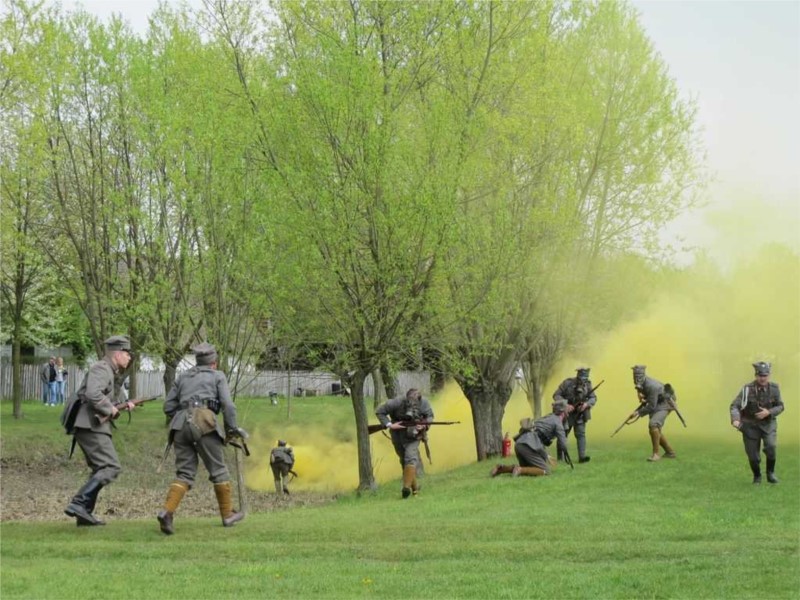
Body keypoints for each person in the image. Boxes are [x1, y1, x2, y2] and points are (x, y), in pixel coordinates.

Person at [157, 342, 248, 535]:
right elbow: (228, 407)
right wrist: (231, 429)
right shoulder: (218, 376)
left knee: (184, 474)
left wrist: (184, 414)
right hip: (205, 422)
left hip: (180, 425)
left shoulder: (182, 377)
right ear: (213, 363)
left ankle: (167, 512)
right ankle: (227, 515)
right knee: (219, 470)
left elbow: (168, 407)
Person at [63, 336, 135, 526]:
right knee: (111, 467)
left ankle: (84, 513)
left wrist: (121, 406)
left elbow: (99, 397)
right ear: (118, 353)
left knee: (100, 468)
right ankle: (78, 503)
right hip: (90, 425)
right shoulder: (102, 368)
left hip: (92, 425)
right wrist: (109, 409)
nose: (129, 358)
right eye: (127, 354)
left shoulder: (108, 370)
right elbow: (92, 394)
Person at [730, 362, 784, 484]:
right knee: (753, 456)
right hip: (750, 426)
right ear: (756, 375)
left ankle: (770, 473)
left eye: (765, 375)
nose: (762, 378)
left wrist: (769, 412)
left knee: (771, 447)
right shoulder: (747, 389)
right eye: (760, 375)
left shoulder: (774, 389)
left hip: (768, 424)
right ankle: (757, 476)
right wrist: (735, 419)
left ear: (769, 375)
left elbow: (780, 406)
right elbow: (735, 406)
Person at [375, 388, 433, 498]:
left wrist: (424, 425)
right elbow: (380, 411)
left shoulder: (424, 403)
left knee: (410, 458)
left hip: (414, 434)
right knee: (403, 460)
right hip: (397, 434)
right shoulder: (396, 402)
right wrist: (390, 425)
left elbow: (430, 416)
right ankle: (415, 489)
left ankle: (405, 489)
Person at [490, 400, 570, 477]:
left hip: (520, 444)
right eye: (567, 409)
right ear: (562, 412)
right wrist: (566, 456)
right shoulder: (558, 423)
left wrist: (546, 455)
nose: (568, 410)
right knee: (545, 471)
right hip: (529, 445)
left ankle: (501, 468)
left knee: (530, 468)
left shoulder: (548, 417)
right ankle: (520, 470)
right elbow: (562, 444)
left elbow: (538, 438)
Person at [628, 365, 676, 462]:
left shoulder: (652, 386)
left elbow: (651, 406)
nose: (636, 379)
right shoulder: (641, 382)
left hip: (665, 403)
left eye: (638, 376)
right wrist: (641, 395)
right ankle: (670, 452)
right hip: (656, 402)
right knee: (655, 429)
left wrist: (637, 413)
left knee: (653, 424)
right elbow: (641, 390)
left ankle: (656, 455)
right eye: (635, 376)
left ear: (643, 375)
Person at [553, 367, 597, 463]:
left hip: (580, 414)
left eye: (585, 378)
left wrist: (586, 404)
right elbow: (556, 395)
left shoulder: (588, 385)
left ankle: (582, 457)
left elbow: (593, 398)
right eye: (581, 378)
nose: (583, 381)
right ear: (577, 376)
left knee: (581, 435)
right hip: (567, 414)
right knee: (563, 435)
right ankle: (560, 458)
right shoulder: (567, 383)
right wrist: (565, 405)